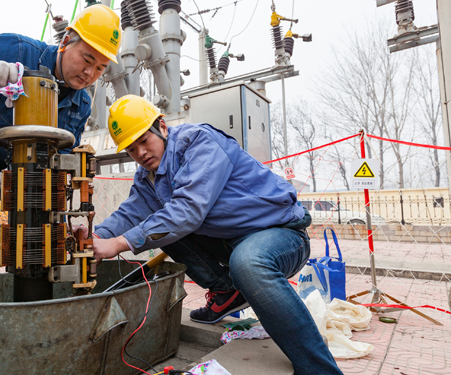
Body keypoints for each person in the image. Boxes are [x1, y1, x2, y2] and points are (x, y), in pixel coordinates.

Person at [89, 95, 343, 374]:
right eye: (130, 149)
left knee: (247, 263)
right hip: (232, 241)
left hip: (281, 234)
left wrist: (120, 243)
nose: (140, 153)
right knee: (162, 228)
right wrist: (95, 237)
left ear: (161, 126)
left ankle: (320, 369)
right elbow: (130, 214)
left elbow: (187, 210)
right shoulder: (147, 177)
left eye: (143, 141)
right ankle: (226, 293)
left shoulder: (198, 142)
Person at [0, 4, 121, 336]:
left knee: (43, 222)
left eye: (100, 68)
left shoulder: (80, 104)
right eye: (87, 59)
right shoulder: (18, 51)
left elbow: (62, 156)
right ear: (66, 41)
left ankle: (34, 297)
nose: (90, 73)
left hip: (12, 168)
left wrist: (70, 220)